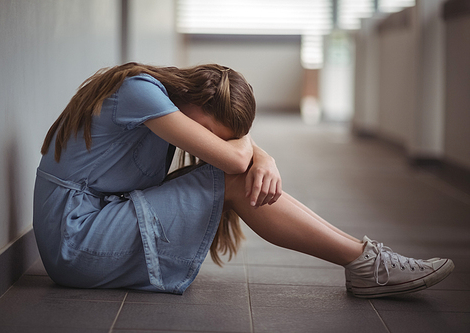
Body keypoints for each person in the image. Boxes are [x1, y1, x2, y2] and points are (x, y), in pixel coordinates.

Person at [33, 62, 454, 298]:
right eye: (213, 131)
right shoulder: (140, 93)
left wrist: (255, 153)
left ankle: (364, 258)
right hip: (77, 239)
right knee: (235, 178)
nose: (209, 141)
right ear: (194, 101)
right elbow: (236, 159)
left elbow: (235, 153)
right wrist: (258, 153)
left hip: (94, 224)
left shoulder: (160, 99)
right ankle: (364, 262)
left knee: (236, 172)